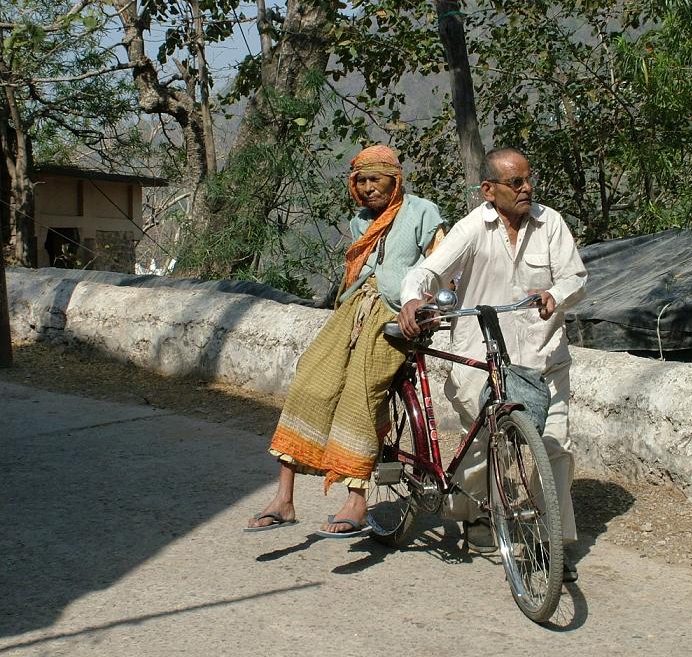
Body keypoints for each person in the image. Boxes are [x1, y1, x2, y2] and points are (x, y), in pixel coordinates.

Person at [398, 147, 586, 580]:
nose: (526, 189)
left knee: (554, 445)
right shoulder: (472, 229)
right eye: (515, 183)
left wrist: (556, 295)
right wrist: (413, 299)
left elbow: (575, 276)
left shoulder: (550, 223)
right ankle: (476, 513)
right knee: (483, 442)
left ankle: (549, 544)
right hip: (480, 359)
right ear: (489, 189)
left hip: (543, 357)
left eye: (528, 180)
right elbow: (428, 273)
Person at [246, 144, 444, 536]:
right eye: (362, 180)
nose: (369, 188)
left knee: (361, 394)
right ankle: (284, 499)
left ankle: (356, 499)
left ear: (395, 180)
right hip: (353, 310)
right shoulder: (360, 222)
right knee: (310, 382)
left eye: (376, 179)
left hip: (396, 316)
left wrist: (424, 304)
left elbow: (442, 262)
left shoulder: (423, 212)